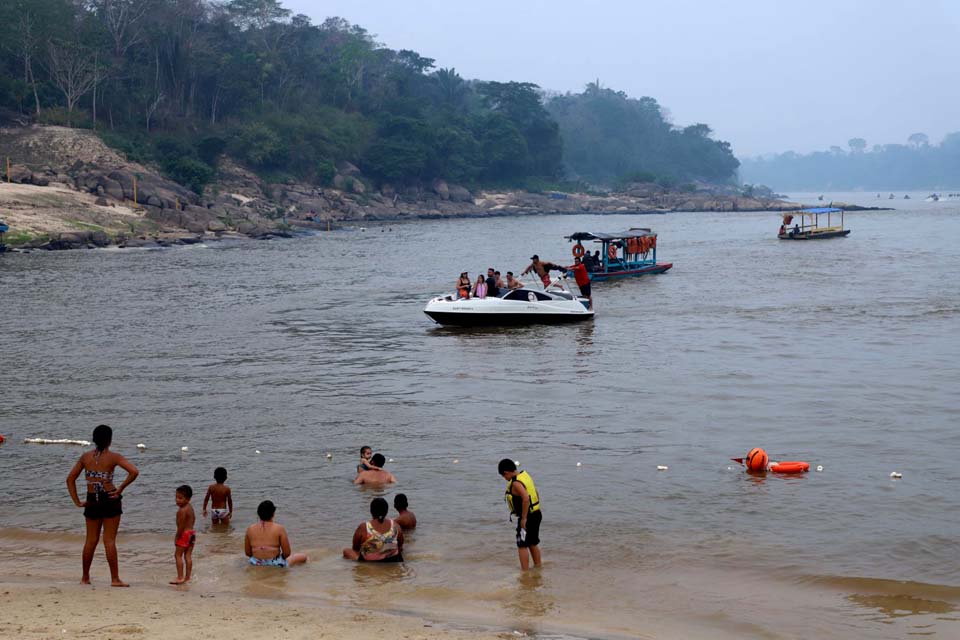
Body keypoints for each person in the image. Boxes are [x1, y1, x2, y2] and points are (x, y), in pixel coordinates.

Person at [66, 424, 139, 587]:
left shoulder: (85, 457)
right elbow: (134, 471)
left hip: (92, 500)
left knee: (90, 541)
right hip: (110, 498)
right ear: (109, 440)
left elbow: (70, 479)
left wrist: (77, 501)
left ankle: (85, 577)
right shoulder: (114, 457)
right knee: (109, 541)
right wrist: (120, 487)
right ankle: (114, 579)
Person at [498, 459, 542, 571]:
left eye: (504, 476)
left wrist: (523, 518)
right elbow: (535, 492)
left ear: (506, 472)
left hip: (527, 517)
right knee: (532, 542)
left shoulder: (516, 483)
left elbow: (526, 499)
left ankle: (525, 572)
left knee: (522, 545)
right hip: (536, 513)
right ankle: (538, 567)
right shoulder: (525, 475)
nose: (505, 479)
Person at [244, 500, 308, 567]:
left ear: (258, 514)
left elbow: (248, 553)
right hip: (274, 563)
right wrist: (279, 559)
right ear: (273, 513)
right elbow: (287, 553)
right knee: (304, 557)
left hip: (256, 562)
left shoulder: (250, 529)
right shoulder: (279, 528)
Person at [342, 498, 404, 562]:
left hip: (370, 561)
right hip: (392, 559)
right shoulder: (395, 525)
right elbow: (400, 545)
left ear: (371, 511)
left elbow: (355, 548)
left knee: (346, 551)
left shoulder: (364, 527)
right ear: (386, 511)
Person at [171, 485, 196, 585]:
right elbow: (193, 519)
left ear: (188, 499)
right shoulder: (190, 507)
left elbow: (180, 527)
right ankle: (188, 577)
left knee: (177, 555)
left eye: (180, 498)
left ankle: (180, 577)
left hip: (184, 534)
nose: (177, 500)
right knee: (188, 556)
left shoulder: (181, 511)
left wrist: (177, 537)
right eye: (176, 497)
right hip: (192, 533)